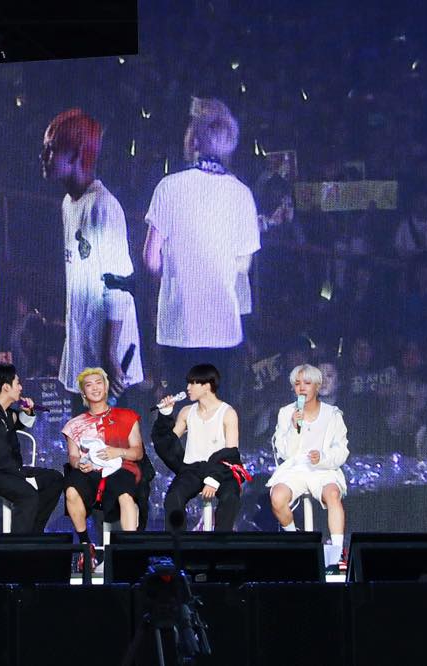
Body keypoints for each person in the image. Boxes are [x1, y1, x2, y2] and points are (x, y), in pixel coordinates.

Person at [142, 98, 259, 401]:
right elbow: (243, 265)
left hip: (179, 324)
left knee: (182, 412)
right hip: (223, 327)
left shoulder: (169, 187)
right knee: (217, 413)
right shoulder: (242, 194)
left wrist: (175, 277)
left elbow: (150, 259)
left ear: (194, 138)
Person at [40, 109, 143, 410]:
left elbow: (118, 286)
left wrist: (110, 353)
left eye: (51, 149)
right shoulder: (68, 204)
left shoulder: (104, 207)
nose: (44, 157)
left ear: (76, 154)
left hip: (107, 359)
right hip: (83, 352)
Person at [0, 363, 63, 533]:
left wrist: (28, 412)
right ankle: (19, 543)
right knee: (28, 495)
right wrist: (24, 478)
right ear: (6, 387)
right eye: (18, 383)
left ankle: (34, 534)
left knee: (55, 479)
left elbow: (18, 422)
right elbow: (1, 458)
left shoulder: (4, 411)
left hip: (5, 469)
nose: (21, 388)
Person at [268, 364, 349, 568]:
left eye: (307, 383)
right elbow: (284, 452)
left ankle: (337, 552)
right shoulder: (286, 413)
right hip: (295, 468)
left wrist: (322, 457)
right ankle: (295, 541)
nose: (302, 388)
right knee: (277, 497)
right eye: (297, 383)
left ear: (317, 386)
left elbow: (342, 451)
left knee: (332, 494)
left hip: (323, 469)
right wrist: (294, 427)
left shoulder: (332, 414)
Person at [152, 364, 246, 531]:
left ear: (207, 386)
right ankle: (178, 543)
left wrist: (213, 479)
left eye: (193, 383)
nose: (188, 388)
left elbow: (231, 453)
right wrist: (165, 415)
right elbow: (168, 443)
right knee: (173, 498)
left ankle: (221, 543)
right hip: (192, 470)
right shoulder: (187, 412)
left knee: (230, 498)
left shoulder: (228, 413)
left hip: (222, 469)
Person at [61, 368, 143, 555]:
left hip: (120, 467)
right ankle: (85, 546)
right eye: (89, 385)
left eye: (99, 383)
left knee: (125, 495)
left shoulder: (127, 417)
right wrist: (79, 464)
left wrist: (118, 452)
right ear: (83, 392)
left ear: (106, 387)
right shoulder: (74, 425)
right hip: (89, 471)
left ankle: (131, 550)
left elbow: (137, 452)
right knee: (71, 491)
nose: (95, 388)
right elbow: (73, 456)